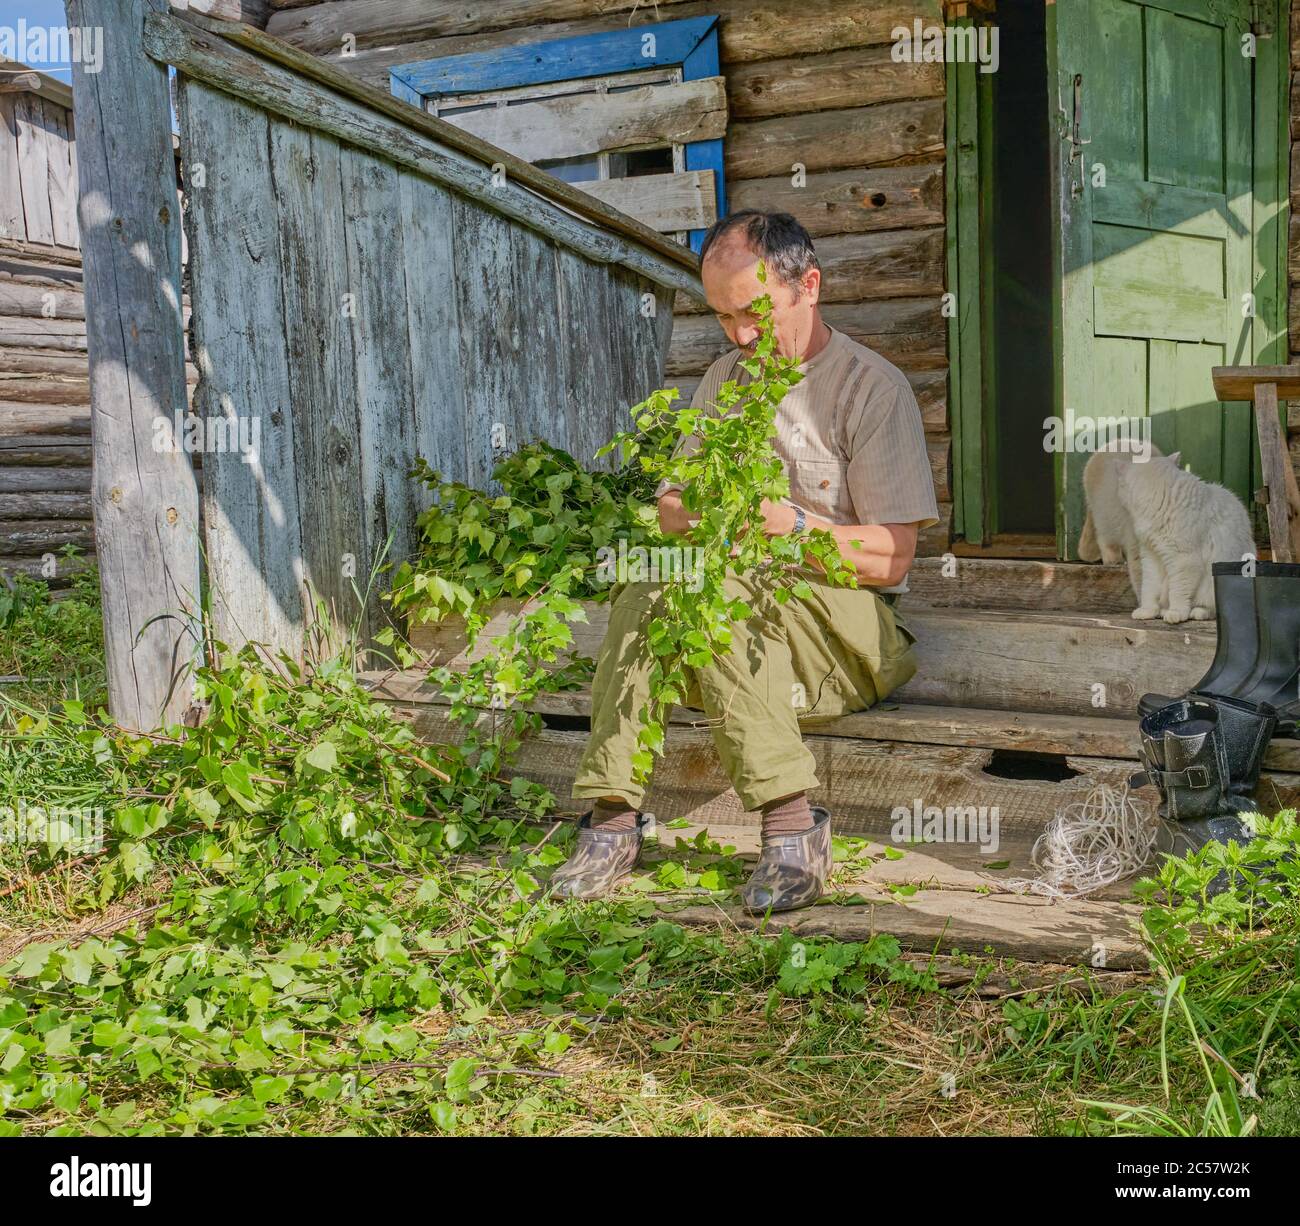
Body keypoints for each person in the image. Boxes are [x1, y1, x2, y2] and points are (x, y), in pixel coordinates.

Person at [548, 210, 941, 912]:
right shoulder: (724, 380)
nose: (742, 335)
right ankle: (611, 820)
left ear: (809, 286)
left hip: (845, 639)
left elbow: (892, 557)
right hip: (738, 630)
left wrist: (786, 529)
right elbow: (671, 510)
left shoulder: (870, 389)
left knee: (716, 581)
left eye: (756, 312)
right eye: (725, 318)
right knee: (657, 575)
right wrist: (709, 516)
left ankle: (792, 827)